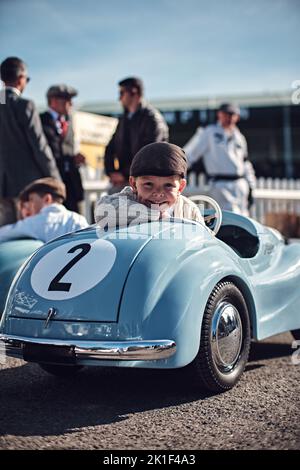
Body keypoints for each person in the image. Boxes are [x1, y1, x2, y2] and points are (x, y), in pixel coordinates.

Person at [0, 57, 61, 222]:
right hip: (27, 187)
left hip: (2, 186)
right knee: (27, 235)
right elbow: (39, 146)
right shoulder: (25, 105)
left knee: (5, 236)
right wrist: (55, 179)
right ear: (21, 78)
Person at [95, 142, 204, 229]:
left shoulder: (189, 210)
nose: (158, 193)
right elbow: (102, 211)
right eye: (148, 184)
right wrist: (155, 215)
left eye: (168, 185)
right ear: (134, 184)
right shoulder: (127, 198)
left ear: (180, 187)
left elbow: (203, 243)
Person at [184, 103, 256, 216]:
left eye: (233, 115)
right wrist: (177, 173)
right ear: (219, 114)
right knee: (228, 219)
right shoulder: (209, 132)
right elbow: (190, 154)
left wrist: (251, 186)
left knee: (244, 219)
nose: (230, 118)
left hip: (240, 185)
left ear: (237, 117)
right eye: (227, 114)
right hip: (220, 185)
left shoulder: (239, 137)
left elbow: (246, 163)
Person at [104, 77, 169, 192]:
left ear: (134, 92)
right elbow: (110, 148)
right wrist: (112, 172)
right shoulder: (124, 119)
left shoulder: (152, 119)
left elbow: (150, 155)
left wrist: (124, 175)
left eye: (122, 93)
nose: (119, 98)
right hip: (129, 182)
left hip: (149, 186)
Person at [40, 84, 86, 213]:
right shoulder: (40, 121)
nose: (71, 103)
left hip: (72, 183)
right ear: (53, 101)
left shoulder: (69, 121)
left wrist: (75, 158)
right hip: (52, 183)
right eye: (66, 100)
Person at [0, 177, 88, 243]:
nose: (29, 206)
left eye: (31, 200)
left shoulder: (35, 222)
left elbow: (3, 234)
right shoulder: (78, 219)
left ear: (47, 199)